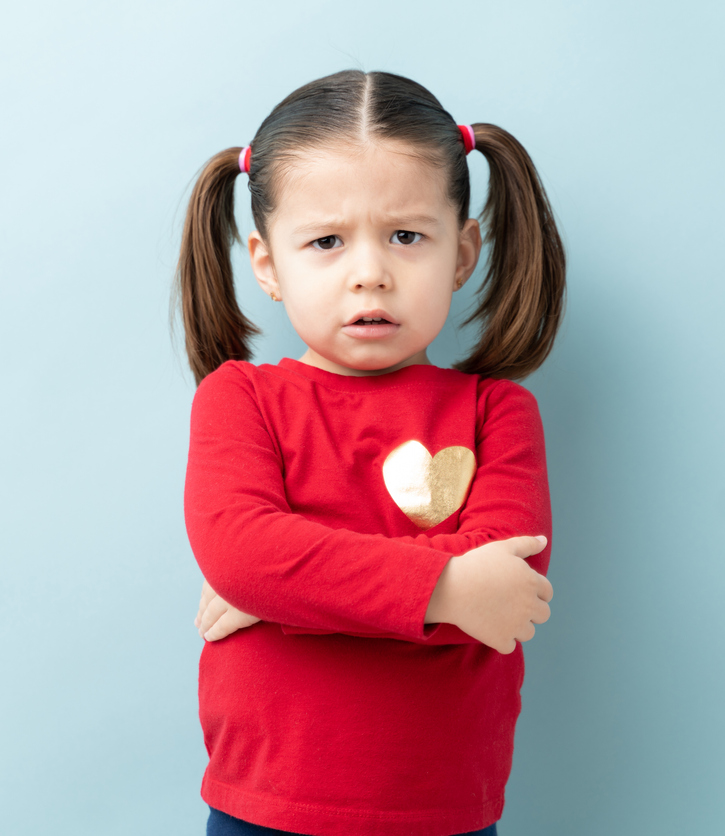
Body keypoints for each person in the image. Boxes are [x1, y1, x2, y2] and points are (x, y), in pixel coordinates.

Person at [177, 69, 565, 836]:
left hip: (442, 808)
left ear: (462, 252)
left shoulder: (497, 414)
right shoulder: (239, 400)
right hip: (266, 805)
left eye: (407, 236)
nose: (370, 272)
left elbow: (503, 598)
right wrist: (442, 585)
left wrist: (285, 595)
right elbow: (242, 557)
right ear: (266, 264)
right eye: (326, 241)